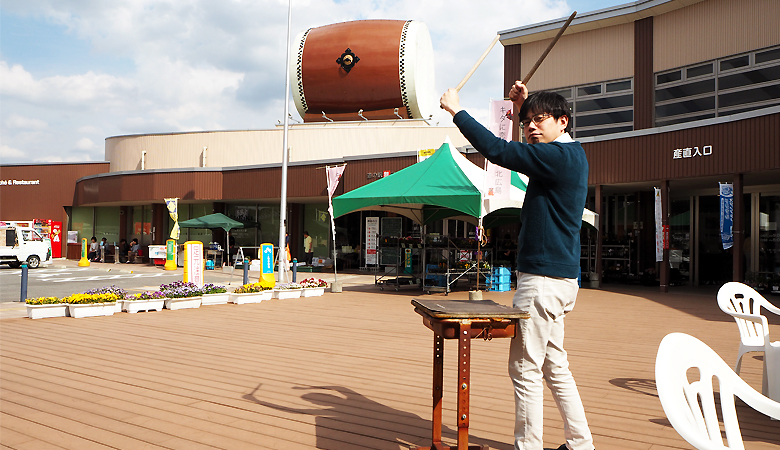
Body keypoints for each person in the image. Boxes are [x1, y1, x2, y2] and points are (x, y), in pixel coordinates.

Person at [441, 82, 594, 450]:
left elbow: (497, 150)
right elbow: (523, 147)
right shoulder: (570, 156)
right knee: (554, 368)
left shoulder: (557, 157)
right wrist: (525, 105)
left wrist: (456, 111)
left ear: (563, 122)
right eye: (528, 122)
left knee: (525, 370)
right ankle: (581, 444)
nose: (531, 128)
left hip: (541, 282)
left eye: (540, 121)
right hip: (558, 280)